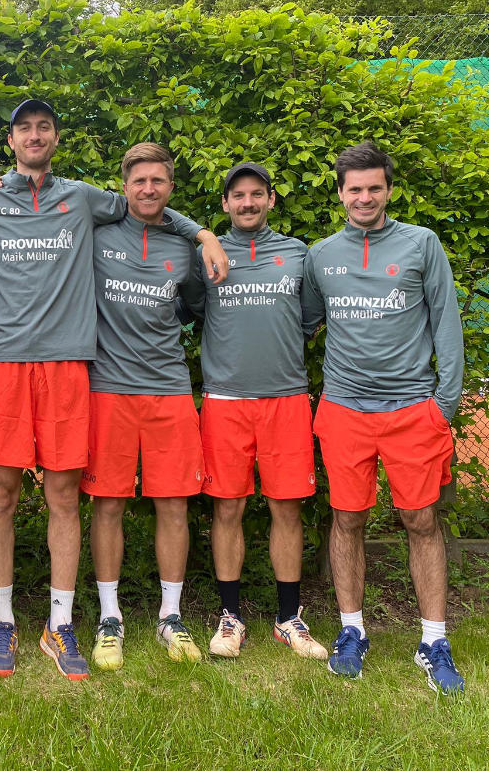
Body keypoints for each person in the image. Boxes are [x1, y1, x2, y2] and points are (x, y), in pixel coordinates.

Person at [0, 99, 229, 680]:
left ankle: (60, 624)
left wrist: (202, 232)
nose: (35, 135)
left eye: (44, 127)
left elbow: (145, 203)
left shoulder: (83, 197)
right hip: (5, 367)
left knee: (63, 496)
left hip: (67, 369)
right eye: (24, 127)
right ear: (11, 140)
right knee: (1, 496)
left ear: (56, 137)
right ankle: (4, 623)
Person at [303, 141, 465, 694]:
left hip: (412, 411)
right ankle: (352, 631)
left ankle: (434, 641)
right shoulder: (321, 255)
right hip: (344, 410)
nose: (364, 197)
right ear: (340, 193)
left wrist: (443, 406)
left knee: (421, 521)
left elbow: (446, 323)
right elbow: (302, 322)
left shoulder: (422, 244)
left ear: (389, 190)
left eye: (374, 187)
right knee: (347, 519)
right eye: (355, 189)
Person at [189, 161, 328, 661]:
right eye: (238, 195)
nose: (247, 203)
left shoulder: (298, 254)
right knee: (227, 508)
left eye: (256, 194)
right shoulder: (207, 255)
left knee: (286, 508)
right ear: (225, 203)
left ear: (271, 199)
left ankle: (289, 619)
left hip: (285, 400)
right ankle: (231, 617)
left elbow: (309, 318)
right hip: (224, 402)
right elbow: (193, 309)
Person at [82, 143, 207, 671]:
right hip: (107, 389)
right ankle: (109, 617)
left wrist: (200, 234)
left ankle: (170, 616)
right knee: (107, 504)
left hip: (169, 389)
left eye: (158, 181)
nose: (149, 189)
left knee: (173, 503)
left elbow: (196, 307)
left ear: (170, 187)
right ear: (125, 186)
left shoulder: (184, 247)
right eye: (139, 181)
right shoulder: (96, 235)